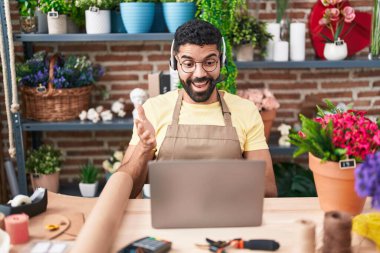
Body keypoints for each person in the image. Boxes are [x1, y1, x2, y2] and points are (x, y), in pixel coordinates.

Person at [119, 19, 277, 198]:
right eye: (188, 64)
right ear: (174, 63)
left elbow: (269, 189)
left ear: (222, 61)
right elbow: (123, 191)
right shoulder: (153, 110)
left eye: (209, 63)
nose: (200, 74)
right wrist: (144, 147)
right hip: (168, 223)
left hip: (230, 221)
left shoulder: (245, 110)